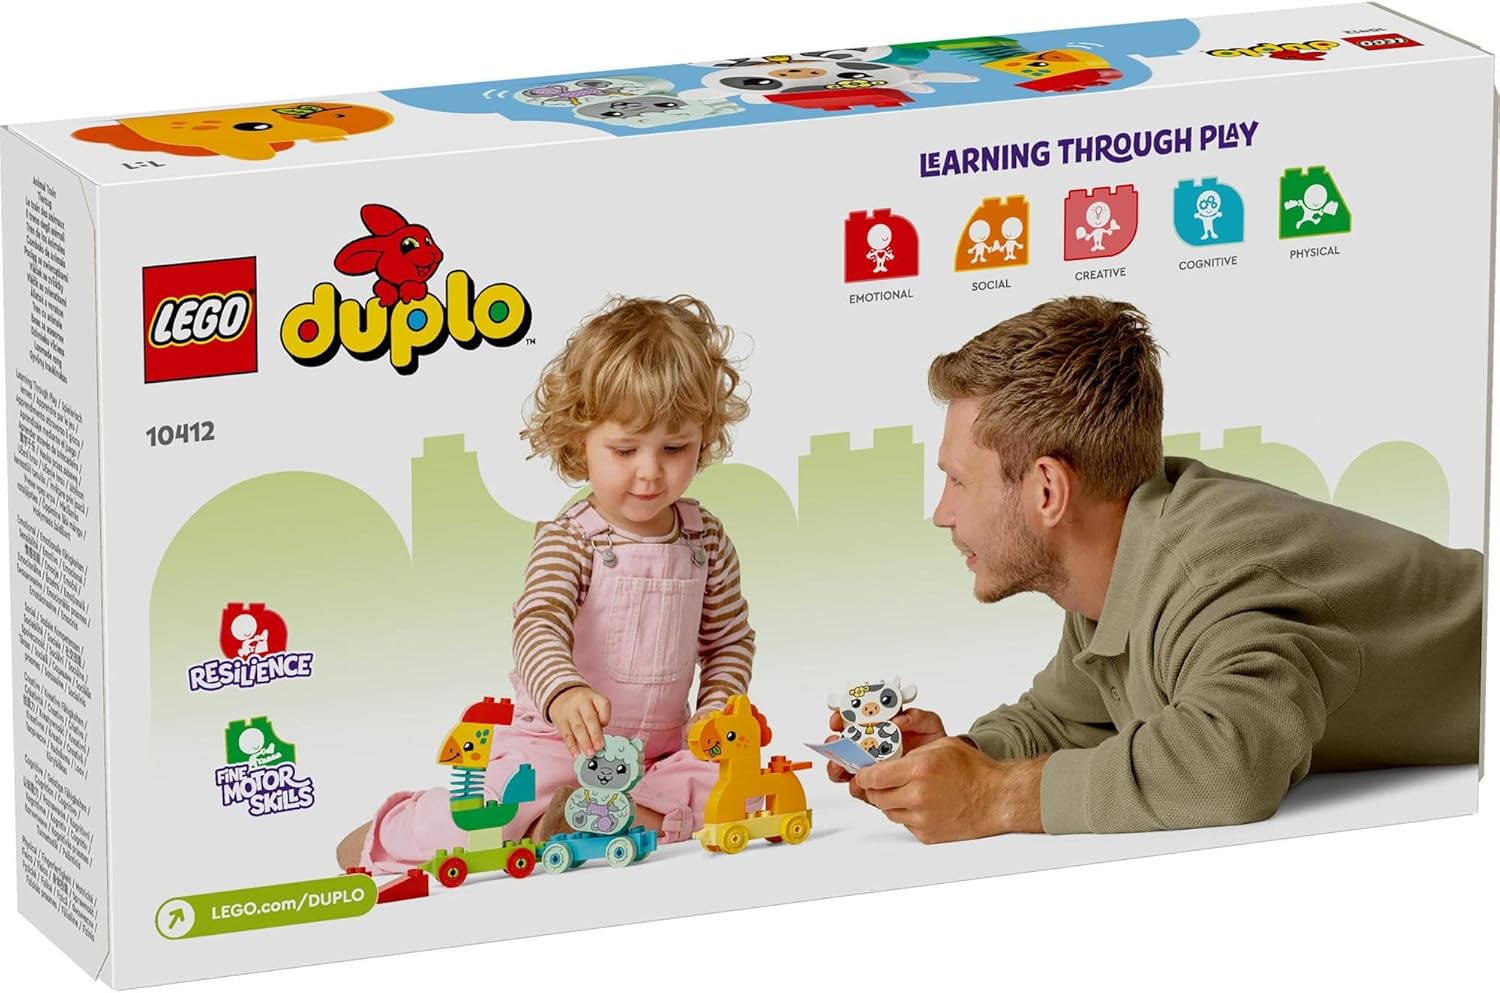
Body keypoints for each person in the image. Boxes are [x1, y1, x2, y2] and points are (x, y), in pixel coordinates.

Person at [828, 295, 1482, 841]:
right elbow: (1071, 720)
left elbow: (1230, 765)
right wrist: (963, 759)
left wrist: (995, 797)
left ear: (1048, 490)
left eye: (957, 481)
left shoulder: (1210, 576)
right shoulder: (1118, 565)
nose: (941, 513)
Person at [339, 294, 755, 871]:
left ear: (703, 439)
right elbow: (537, 623)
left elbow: (729, 641)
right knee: (490, 812)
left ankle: (590, 817)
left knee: (738, 789)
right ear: (580, 439)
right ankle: (398, 830)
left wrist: (715, 714)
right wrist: (563, 693)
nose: (650, 471)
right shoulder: (572, 538)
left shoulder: (705, 539)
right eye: (625, 449)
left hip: (659, 755)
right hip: (559, 746)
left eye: (675, 448)